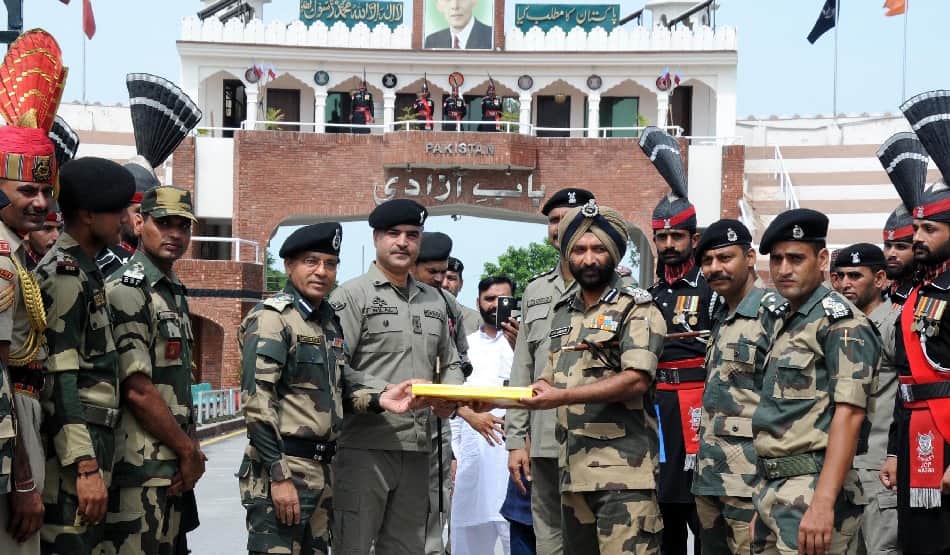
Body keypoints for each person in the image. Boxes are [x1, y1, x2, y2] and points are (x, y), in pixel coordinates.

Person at [237, 222, 419, 554]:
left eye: (330, 263)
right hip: (284, 470)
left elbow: (338, 390)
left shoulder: (327, 322)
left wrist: (381, 399)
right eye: (311, 261)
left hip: (323, 473)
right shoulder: (272, 319)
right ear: (289, 265)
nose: (322, 271)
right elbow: (257, 404)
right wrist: (279, 477)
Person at [521, 199, 666, 554]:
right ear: (568, 254)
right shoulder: (562, 314)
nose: (589, 259)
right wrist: (485, 402)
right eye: (580, 249)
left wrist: (561, 396)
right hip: (573, 476)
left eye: (599, 248)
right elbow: (545, 385)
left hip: (624, 477)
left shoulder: (637, 307)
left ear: (614, 254)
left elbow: (636, 379)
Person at [329, 199, 462, 555]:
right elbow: (335, 366)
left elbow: (450, 361)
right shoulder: (352, 296)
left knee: (407, 548)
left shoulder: (435, 301)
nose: (403, 242)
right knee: (352, 546)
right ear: (376, 238)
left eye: (412, 235)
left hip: (420, 448)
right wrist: (384, 392)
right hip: (365, 446)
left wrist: (451, 395)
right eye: (394, 234)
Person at [752, 208, 880, 554]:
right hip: (774, 489)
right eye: (776, 259)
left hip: (812, 490)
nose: (783, 269)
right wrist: (764, 496)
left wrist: (823, 502)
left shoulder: (842, 324)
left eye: (795, 258)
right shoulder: (787, 319)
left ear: (822, 258)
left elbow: (850, 414)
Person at [36, 157, 136, 553]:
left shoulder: (87, 271)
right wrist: (85, 465)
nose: (126, 219)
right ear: (88, 215)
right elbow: (60, 377)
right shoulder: (65, 276)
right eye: (117, 210)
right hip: (75, 451)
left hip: (98, 438)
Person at [101, 187, 206, 554]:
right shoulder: (129, 289)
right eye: (164, 223)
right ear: (139, 222)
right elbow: (137, 389)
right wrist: (188, 451)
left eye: (183, 226)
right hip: (139, 471)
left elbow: (174, 383)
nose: (175, 234)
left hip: (170, 469)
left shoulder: (172, 290)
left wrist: (189, 448)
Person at [0, 28, 66, 552]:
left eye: (46, 190)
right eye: (26, 190)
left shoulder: (17, 253)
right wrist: (22, 478)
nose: (41, 203)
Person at [504, 186, 594, 555]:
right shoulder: (536, 290)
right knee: (548, 539)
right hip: (543, 438)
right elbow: (523, 366)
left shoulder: (618, 287)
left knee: (591, 539)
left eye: (570, 219)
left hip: (595, 435)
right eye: (554, 221)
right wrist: (515, 440)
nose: (560, 228)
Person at [879, 90, 950, 555]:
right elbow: (906, 379)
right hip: (914, 438)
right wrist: (892, 449)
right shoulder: (922, 292)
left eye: (929, 230)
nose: (917, 238)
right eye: (916, 230)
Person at [691, 219, 787, 555]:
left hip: (752, 483)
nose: (715, 268)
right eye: (707, 261)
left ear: (749, 257)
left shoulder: (774, 315)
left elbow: (789, 408)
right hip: (710, 478)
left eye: (725, 258)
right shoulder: (722, 316)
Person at [639, 126, 712, 555]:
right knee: (664, 518)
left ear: (693, 239)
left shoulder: (712, 289)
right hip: (660, 413)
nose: (668, 245)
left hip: (702, 411)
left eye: (676, 237)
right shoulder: (649, 295)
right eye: (661, 237)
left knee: (704, 518)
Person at [98, 73, 201, 278]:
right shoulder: (107, 265)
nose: (174, 234)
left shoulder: (159, 269)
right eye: (137, 211)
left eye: (183, 227)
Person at [832, 244, 900, 555]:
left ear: (880, 278)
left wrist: (896, 455)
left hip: (879, 464)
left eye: (855, 275)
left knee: (880, 549)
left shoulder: (894, 324)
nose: (845, 283)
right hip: (842, 464)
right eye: (840, 276)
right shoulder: (838, 326)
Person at [412, 231, 473, 555]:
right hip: (390, 426)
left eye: (443, 272)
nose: (439, 279)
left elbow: (462, 359)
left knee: (436, 510)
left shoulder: (449, 306)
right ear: (413, 267)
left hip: (437, 426)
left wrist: (451, 386)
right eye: (431, 272)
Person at [451, 275, 518, 555]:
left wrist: (521, 345)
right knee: (467, 545)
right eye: (489, 299)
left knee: (518, 540)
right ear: (478, 302)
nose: (495, 306)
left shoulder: (527, 346)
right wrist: (453, 457)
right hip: (472, 464)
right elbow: (452, 400)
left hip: (513, 464)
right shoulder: (463, 346)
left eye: (503, 300)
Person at [878, 132, 929, 307]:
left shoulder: (925, 293)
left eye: (901, 247)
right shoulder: (883, 296)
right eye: (888, 246)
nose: (891, 254)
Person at [424, 0, 492, 49]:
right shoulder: (432, 42)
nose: (455, 6)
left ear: (474, 1)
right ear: (438, 5)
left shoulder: (492, 38)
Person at [442, 256, 482, 336]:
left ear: (461, 284)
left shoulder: (477, 320)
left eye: (451, 278)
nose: (445, 284)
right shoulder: (419, 313)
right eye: (441, 278)